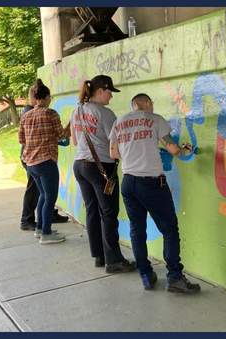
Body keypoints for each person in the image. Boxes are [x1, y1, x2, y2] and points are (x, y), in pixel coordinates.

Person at [108, 93, 201, 294]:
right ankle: (175, 277)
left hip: (128, 182)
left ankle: (146, 275)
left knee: (137, 230)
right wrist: (188, 150)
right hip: (151, 182)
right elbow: (174, 149)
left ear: (133, 106)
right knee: (169, 229)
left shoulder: (119, 122)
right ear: (148, 103)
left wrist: (136, 150)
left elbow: (113, 154)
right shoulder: (155, 119)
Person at [70, 75, 135, 273]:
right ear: (100, 90)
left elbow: (74, 141)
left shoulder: (77, 110)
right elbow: (115, 143)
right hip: (101, 168)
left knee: (92, 211)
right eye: (109, 92)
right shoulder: (105, 114)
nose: (111, 97)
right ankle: (114, 260)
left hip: (80, 165)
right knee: (108, 214)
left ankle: (99, 255)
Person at [19, 79, 71, 244]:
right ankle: (46, 234)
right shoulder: (51, 114)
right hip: (46, 161)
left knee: (43, 195)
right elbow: (61, 136)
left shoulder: (26, 115)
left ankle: (40, 228)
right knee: (50, 197)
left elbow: (22, 139)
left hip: (30, 162)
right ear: (48, 97)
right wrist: (69, 128)